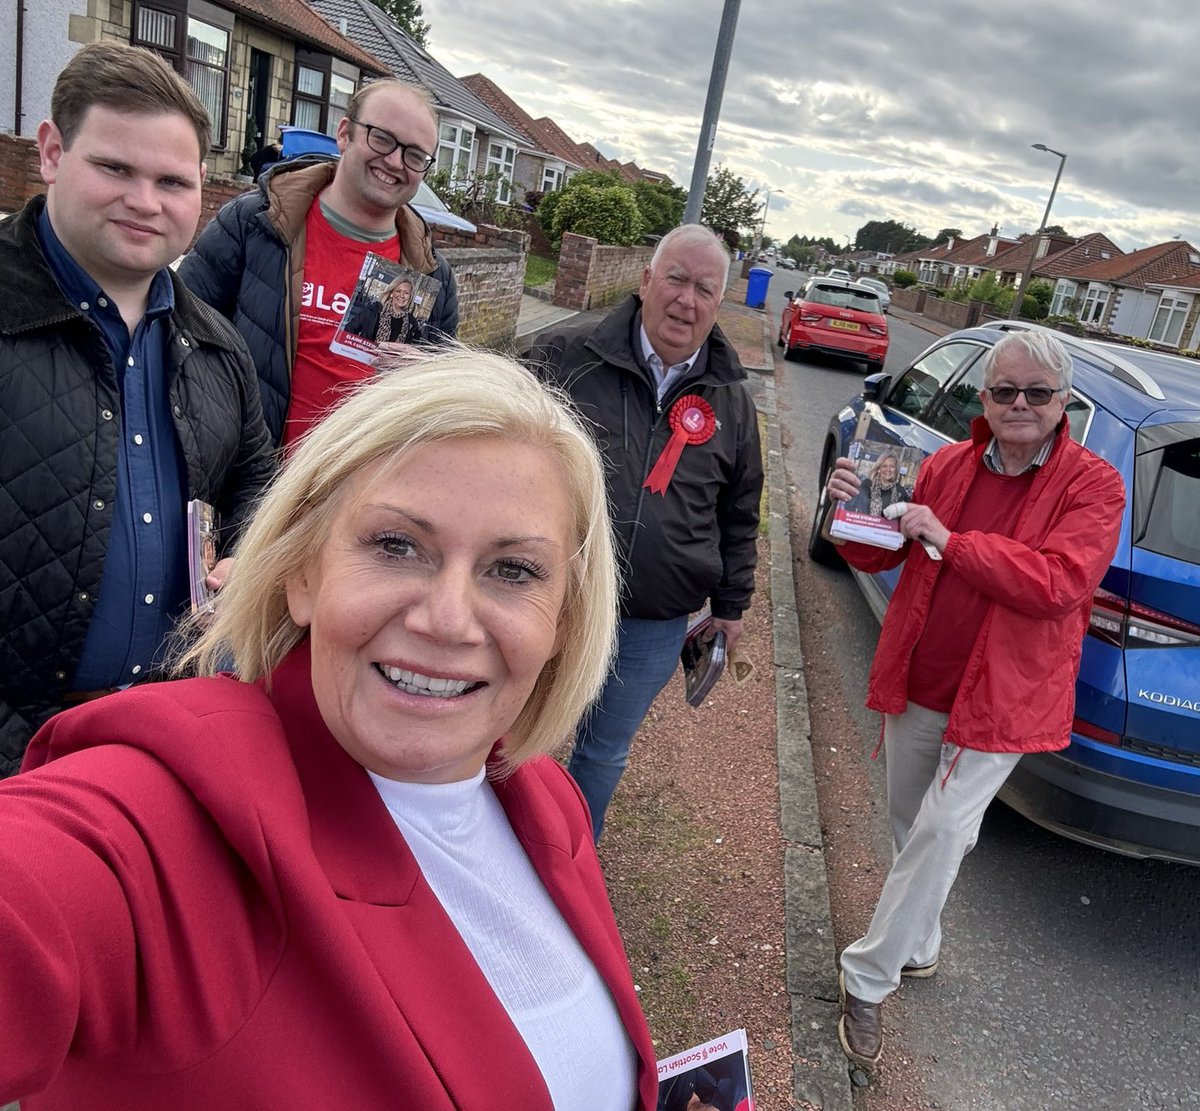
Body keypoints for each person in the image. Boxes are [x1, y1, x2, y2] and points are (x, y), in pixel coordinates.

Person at [0, 350, 659, 1109]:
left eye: (513, 570)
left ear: (563, 622)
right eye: (396, 545)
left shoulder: (544, 797)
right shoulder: (167, 814)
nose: (446, 619)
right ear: (302, 572)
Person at [824, 330, 1125, 1069]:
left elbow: (1058, 581)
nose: (1020, 404)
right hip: (921, 677)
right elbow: (884, 549)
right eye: (1005, 391)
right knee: (910, 825)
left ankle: (867, 979)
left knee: (945, 829)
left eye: (1038, 392)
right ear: (983, 397)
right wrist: (851, 510)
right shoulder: (950, 463)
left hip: (1004, 700)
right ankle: (919, 943)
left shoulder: (1093, 485)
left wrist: (951, 540)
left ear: (1064, 402)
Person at [0, 42, 274, 776]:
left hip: (159, 735)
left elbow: (254, 485)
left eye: (172, 180)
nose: (145, 201)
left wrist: (247, 555)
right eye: (115, 168)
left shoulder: (218, 347)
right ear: (53, 151)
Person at [525, 223, 764, 842]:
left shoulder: (732, 401)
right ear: (646, 281)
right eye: (676, 280)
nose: (686, 300)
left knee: (603, 753)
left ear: (720, 304)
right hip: (556, 596)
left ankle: (569, 865)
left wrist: (732, 607)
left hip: (653, 621)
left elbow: (741, 510)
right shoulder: (566, 357)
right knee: (511, 726)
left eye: (704, 289)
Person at [178, 78, 458, 450]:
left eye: (415, 155)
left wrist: (425, 385)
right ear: (345, 133)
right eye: (382, 138)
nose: (394, 161)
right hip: (245, 478)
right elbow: (178, 334)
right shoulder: (252, 224)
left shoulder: (434, 277)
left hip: (357, 492)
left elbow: (443, 412)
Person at [343, 275, 427, 345]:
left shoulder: (412, 323)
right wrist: (359, 347)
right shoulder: (373, 310)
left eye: (406, 293)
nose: (402, 295)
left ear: (410, 297)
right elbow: (350, 329)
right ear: (391, 293)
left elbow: (414, 347)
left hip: (389, 364)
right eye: (398, 291)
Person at [845, 452, 911, 516]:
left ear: (896, 469)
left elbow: (905, 516)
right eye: (884, 466)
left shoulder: (901, 492)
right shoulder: (866, 485)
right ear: (879, 469)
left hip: (887, 527)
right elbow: (849, 506)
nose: (888, 469)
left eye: (892, 466)